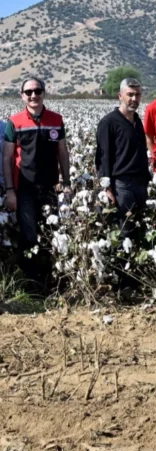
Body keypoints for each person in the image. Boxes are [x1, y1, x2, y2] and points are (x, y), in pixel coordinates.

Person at [2, 77, 72, 294]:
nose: (33, 95)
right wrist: (10, 191)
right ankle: (33, 286)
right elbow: (7, 158)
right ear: (22, 95)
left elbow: (62, 152)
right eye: (28, 92)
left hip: (50, 187)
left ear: (44, 93)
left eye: (37, 91)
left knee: (51, 234)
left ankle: (52, 282)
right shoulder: (15, 122)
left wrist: (67, 182)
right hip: (24, 189)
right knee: (29, 235)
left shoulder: (56, 119)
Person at [95, 78, 152, 248]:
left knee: (139, 228)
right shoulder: (109, 122)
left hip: (140, 183)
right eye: (130, 95)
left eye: (137, 95)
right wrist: (106, 188)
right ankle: (121, 271)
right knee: (124, 230)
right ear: (120, 96)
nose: (134, 99)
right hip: (121, 184)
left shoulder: (137, 121)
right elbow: (102, 157)